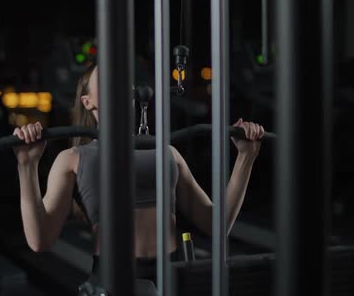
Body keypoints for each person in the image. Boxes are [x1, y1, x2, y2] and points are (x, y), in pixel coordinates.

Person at [13, 64, 265, 285]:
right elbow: (39, 240)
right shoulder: (72, 159)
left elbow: (217, 224)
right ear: (88, 101)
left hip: (171, 275)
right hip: (114, 278)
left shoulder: (168, 152)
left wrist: (246, 156)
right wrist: (27, 165)